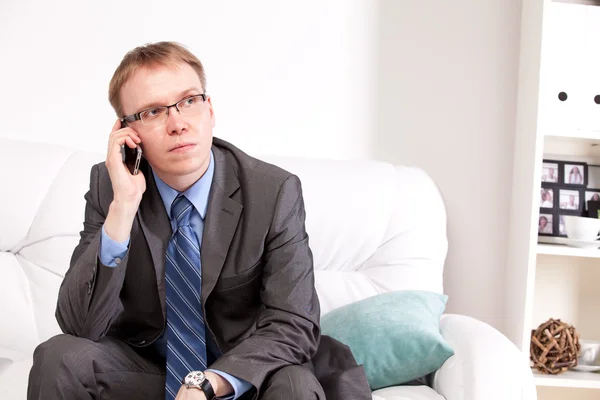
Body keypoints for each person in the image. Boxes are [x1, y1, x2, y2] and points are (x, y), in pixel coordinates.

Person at [27, 42, 371, 400]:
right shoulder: (110, 185)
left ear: (210, 109)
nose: (177, 123)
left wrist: (209, 383)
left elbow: (294, 323)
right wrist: (123, 206)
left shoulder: (273, 192)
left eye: (189, 101)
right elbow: (79, 326)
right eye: (152, 112)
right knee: (59, 357)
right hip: (150, 374)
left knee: (296, 385)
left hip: (244, 377)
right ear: (128, 134)